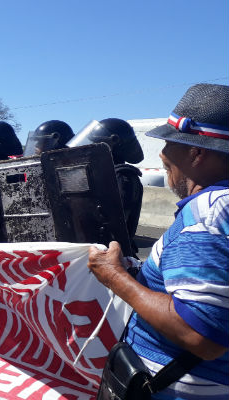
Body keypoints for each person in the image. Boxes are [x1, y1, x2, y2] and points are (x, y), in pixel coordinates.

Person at [88, 83, 228, 399]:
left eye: (169, 142)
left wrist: (116, 278)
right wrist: (141, 272)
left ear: (197, 152)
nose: (162, 153)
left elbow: (201, 334)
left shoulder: (211, 211)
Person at [67, 118, 144, 251]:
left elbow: (111, 222)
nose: (89, 146)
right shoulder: (102, 172)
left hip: (110, 254)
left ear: (113, 142)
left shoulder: (122, 176)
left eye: (94, 142)